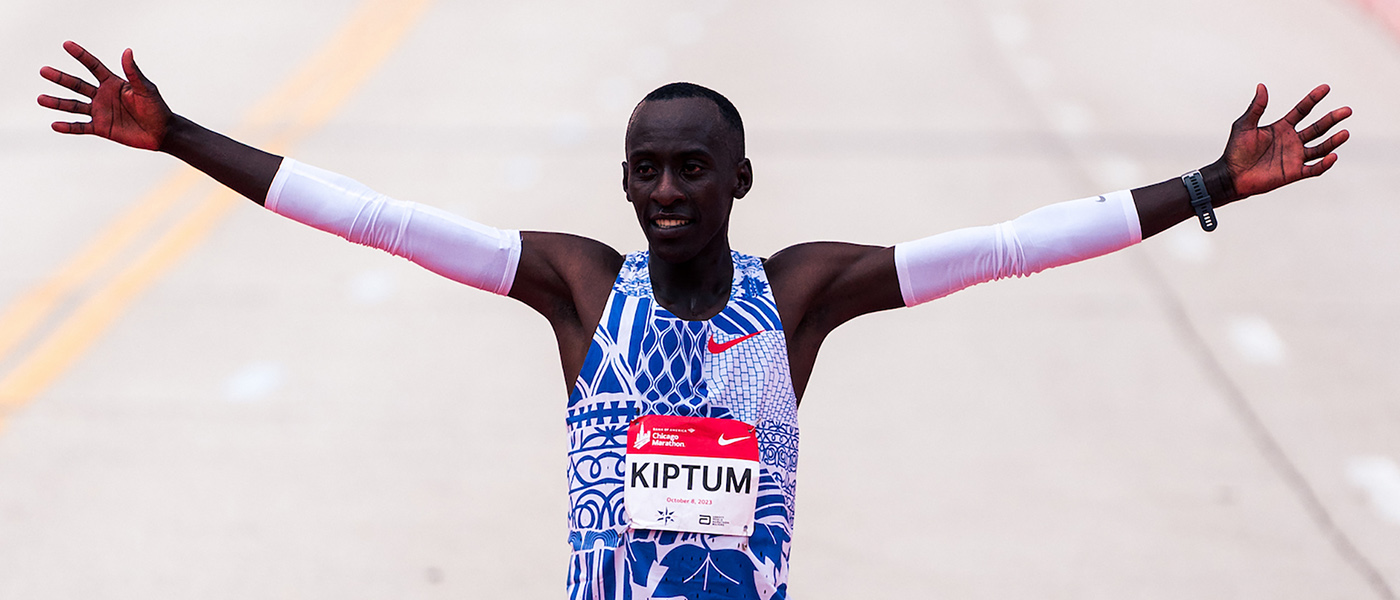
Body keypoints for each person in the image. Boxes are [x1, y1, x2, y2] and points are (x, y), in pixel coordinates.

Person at [38, 40, 1351, 600]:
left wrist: (1209, 185)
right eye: (647, 167)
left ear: (738, 180)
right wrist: (176, 141)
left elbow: (1009, 250)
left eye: (691, 167)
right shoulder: (577, 287)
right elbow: (371, 217)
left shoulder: (803, 295)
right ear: (626, 180)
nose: (667, 188)